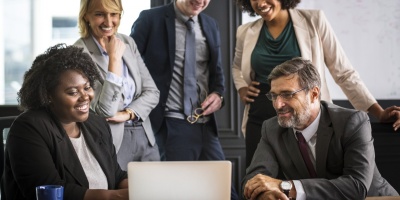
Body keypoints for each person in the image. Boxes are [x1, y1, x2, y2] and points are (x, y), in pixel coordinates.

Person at [233, 0, 400, 167]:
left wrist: (379, 112)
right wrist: (241, 87)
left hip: (304, 114)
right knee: (258, 176)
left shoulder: (314, 20)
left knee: (305, 177)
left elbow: (343, 72)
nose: (261, 3)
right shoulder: (245, 31)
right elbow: (236, 67)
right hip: (260, 113)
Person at [242, 57, 398, 200]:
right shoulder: (271, 129)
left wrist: (286, 186)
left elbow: (356, 186)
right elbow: (253, 180)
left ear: (314, 94)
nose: (278, 104)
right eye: (274, 95)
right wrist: (266, 194)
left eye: (287, 94)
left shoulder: (352, 122)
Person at [1, 44, 129, 200]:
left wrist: (142, 186)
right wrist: (116, 196)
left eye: (87, 87)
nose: (85, 96)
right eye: (73, 92)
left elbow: (115, 175)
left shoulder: (97, 124)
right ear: (48, 95)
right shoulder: (29, 128)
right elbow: (48, 190)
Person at [74, 0, 160, 170]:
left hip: (144, 134)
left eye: (114, 14)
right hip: (112, 140)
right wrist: (114, 59)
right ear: (86, 16)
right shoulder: (78, 52)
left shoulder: (127, 42)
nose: (108, 21)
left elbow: (152, 92)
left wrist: (128, 113)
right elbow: (105, 110)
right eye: (100, 14)